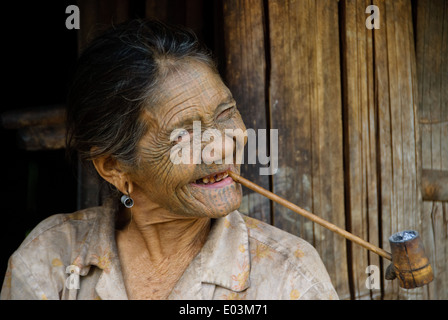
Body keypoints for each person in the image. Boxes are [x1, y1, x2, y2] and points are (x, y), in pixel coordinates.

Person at [0, 19, 338, 300]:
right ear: (114, 167)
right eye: (184, 134)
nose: (222, 146)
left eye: (226, 112)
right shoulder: (50, 261)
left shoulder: (290, 277)